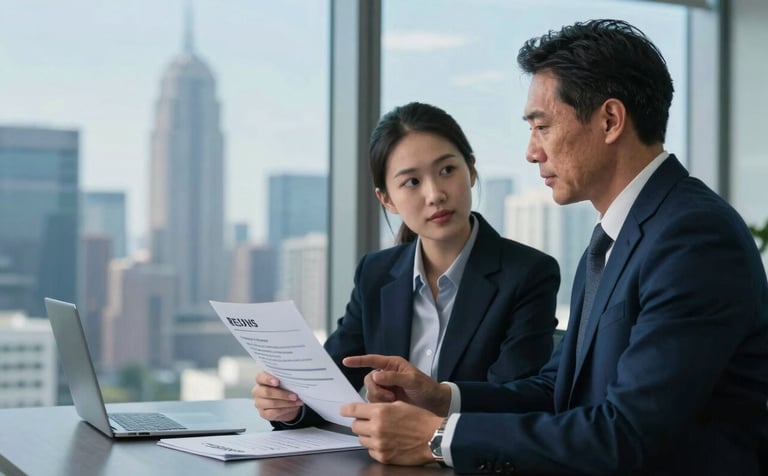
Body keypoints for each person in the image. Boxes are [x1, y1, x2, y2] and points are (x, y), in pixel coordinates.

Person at [339, 19, 768, 475]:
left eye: (541, 126)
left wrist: (436, 439)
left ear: (609, 120)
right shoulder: (614, 238)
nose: (531, 151)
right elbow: (557, 389)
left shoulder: (693, 238)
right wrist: (441, 398)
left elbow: (626, 434)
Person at [252, 101, 561, 428]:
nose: (435, 194)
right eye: (411, 182)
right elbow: (330, 384)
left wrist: (438, 399)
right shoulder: (375, 273)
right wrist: (289, 404)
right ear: (386, 199)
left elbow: (518, 401)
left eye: (447, 170)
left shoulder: (528, 273)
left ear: (471, 170)